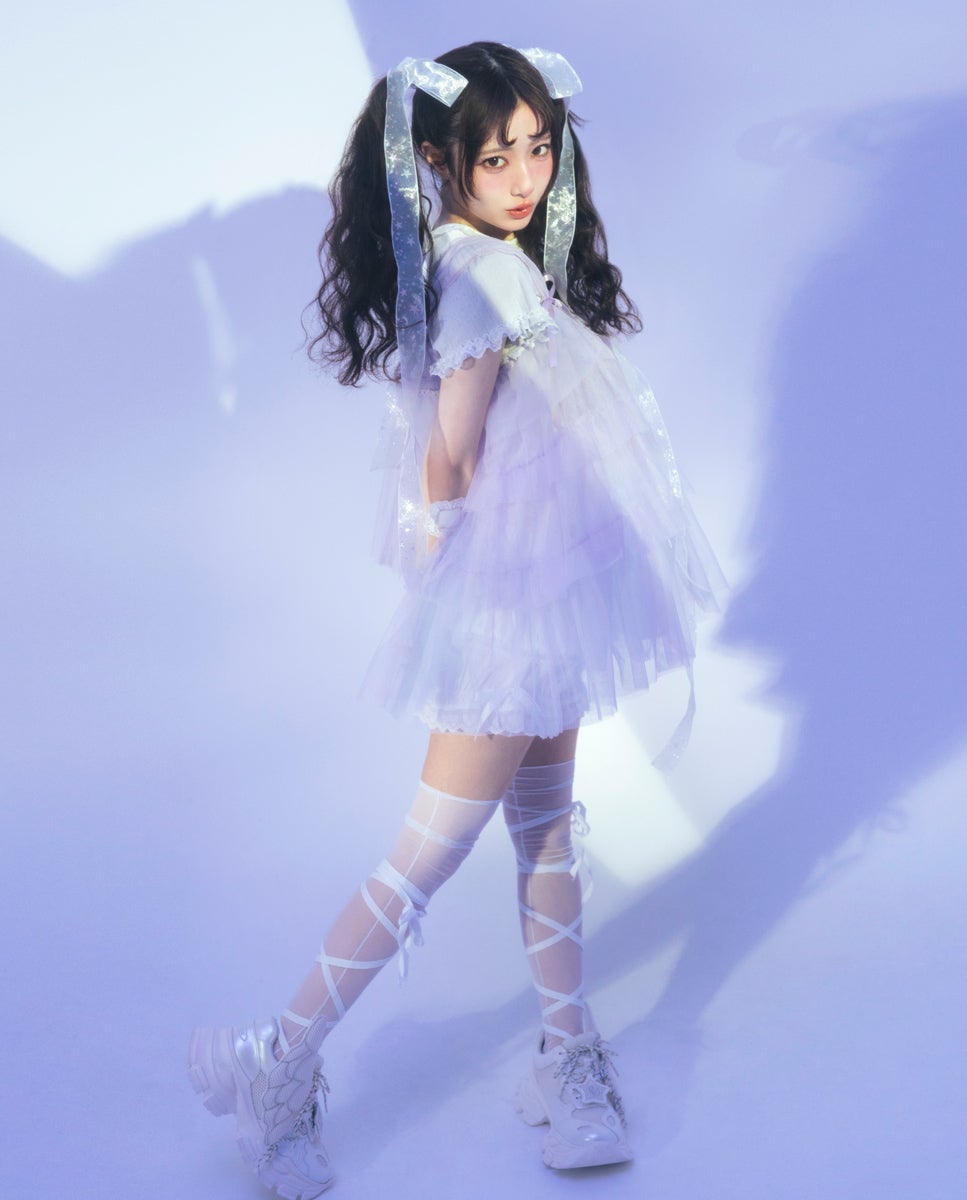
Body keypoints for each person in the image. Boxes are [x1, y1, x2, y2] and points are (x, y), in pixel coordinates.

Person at [187, 42, 724, 1199]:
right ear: (439, 162)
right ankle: (276, 1062)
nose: (525, 175)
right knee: (427, 853)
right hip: (515, 592)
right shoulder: (480, 275)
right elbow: (451, 452)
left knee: (545, 827)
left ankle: (566, 1053)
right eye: (497, 158)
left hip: (548, 579)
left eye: (537, 148)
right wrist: (452, 544)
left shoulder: (486, 256)